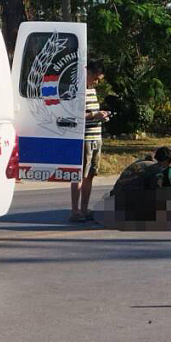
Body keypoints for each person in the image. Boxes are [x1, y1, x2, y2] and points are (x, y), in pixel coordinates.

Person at [71, 60, 108, 222]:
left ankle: (85, 210)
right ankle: (75, 210)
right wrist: (94, 115)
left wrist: (102, 115)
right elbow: (75, 115)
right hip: (84, 138)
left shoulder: (92, 91)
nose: (96, 82)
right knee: (79, 175)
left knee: (90, 175)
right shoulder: (77, 92)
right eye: (95, 78)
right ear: (88, 73)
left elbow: (92, 112)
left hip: (96, 137)